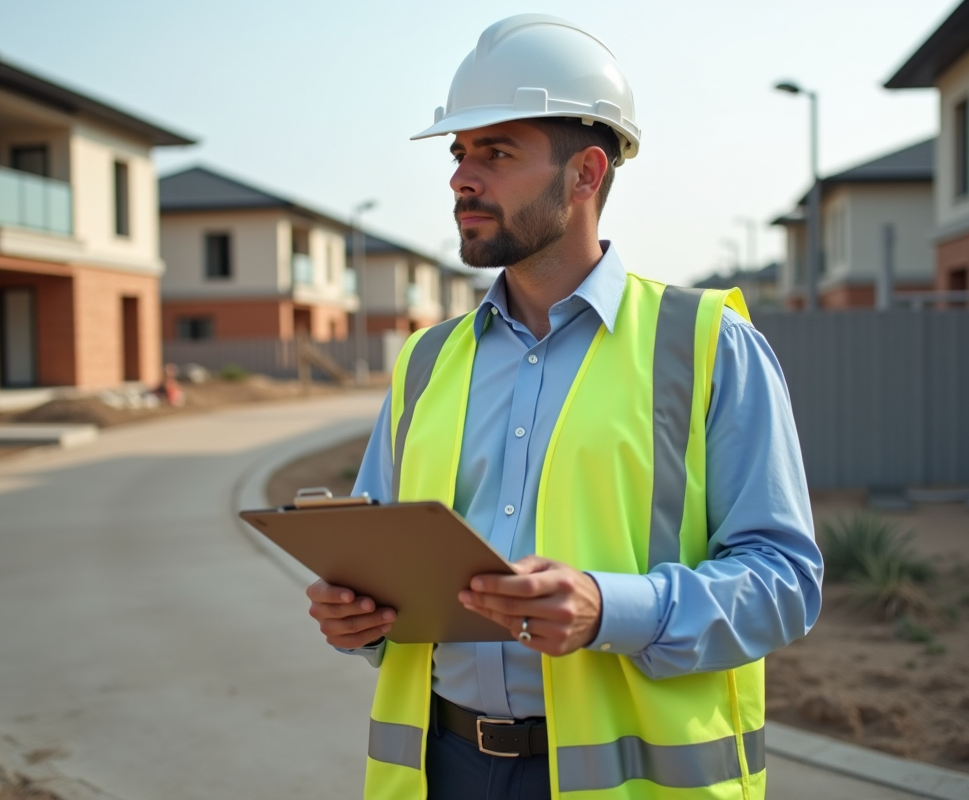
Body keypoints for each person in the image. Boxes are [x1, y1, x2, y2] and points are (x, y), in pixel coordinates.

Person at [307, 14, 822, 800]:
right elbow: (388, 565)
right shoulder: (425, 363)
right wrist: (360, 621)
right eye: (458, 153)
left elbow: (786, 581)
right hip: (440, 768)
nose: (461, 178)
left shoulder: (710, 346)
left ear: (585, 175)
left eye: (496, 152)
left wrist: (610, 607)